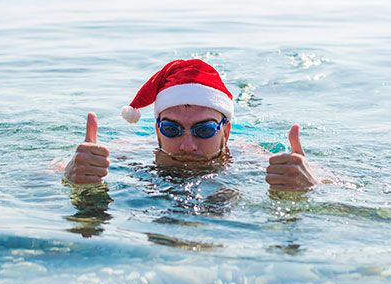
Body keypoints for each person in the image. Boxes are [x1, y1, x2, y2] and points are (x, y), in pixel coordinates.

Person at [64, 59, 319, 192]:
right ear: (156, 130)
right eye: (171, 129)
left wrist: (311, 182)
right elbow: (41, 173)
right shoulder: (128, 153)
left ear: (226, 132)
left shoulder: (252, 159)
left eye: (204, 130)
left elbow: (343, 184)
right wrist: (71, 170)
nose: (187, 145)